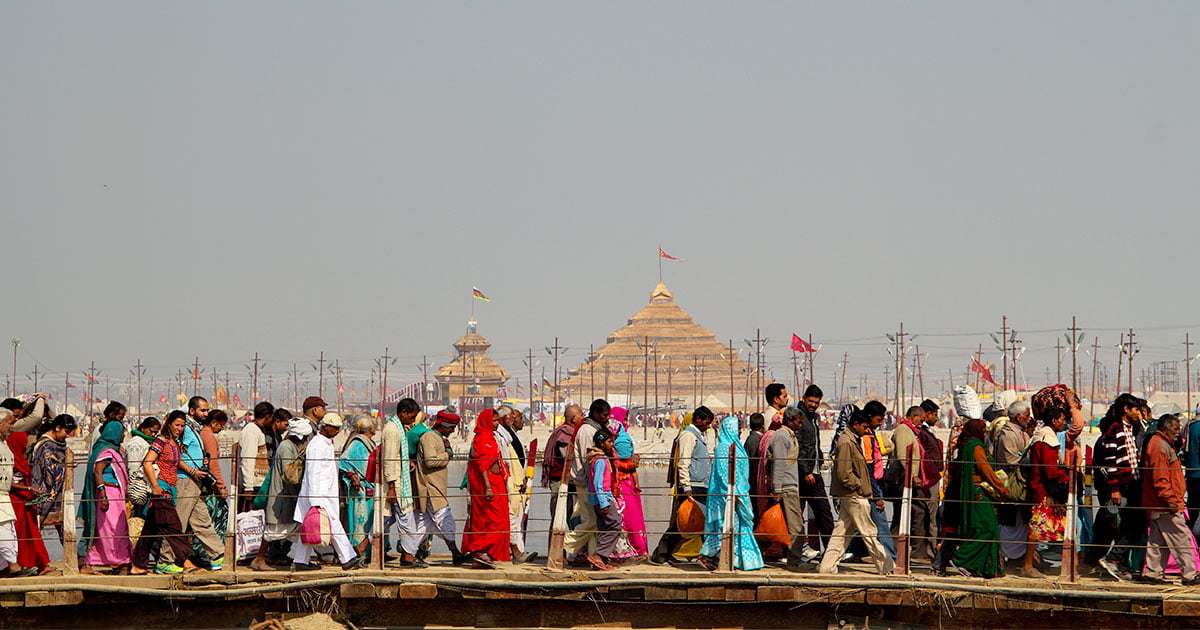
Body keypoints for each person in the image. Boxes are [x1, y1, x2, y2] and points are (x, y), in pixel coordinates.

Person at [131, 411, 207, 575]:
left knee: (150, 530)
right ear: (169, 424)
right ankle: (186, 562)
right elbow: (148, 462)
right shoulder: (161, 440)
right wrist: (155, 485)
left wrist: (193, 471)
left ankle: (137, 565)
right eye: (177, 425)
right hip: (162, 490)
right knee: (173, 526)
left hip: (170, 490)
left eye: (182, 426)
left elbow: (177, 461)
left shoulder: (174, 443)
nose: (179, 428)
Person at [818, 411, 894, 575]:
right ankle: (886, 567)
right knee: (869, 532)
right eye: (865, 427)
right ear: (855, 425)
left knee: (841, 534)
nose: (867, 430)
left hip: (851, 494)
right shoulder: (846, 443)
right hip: (854, 495)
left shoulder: (851, 440)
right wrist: (859, 486)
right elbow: (845, 474)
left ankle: (826, 567)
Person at [293, 413, 364, 571]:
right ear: (325, 427)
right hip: (319, 495)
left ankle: (300, 561)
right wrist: (315, 501)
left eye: (339, 428)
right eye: (335, 428)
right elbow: (313, 472)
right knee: (333, 526)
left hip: (325, 494)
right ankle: (348, 558)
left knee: (311, 527)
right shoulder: (317, 445)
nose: (338, 431)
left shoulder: (326, 443)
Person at [938, 418, 1007, 578]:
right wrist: (1001, 487)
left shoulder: (965, 445)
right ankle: (962, 560)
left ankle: (978, 567)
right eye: (982, 431)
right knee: (987, 529)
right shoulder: (976, 447)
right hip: (979, 493)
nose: (984, 434)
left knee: (978, 529)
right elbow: (985, 470)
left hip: (973, 493)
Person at [697, 415, 764, 571]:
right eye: (738, 427)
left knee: (738, 527)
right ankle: (710, 556)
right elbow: (722, 473)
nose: (740, 430)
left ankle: (739, 560)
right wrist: (732, 493)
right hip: (726, 496)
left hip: (739, 493)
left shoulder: (736, 446)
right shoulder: (723, 447)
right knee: (723, 527)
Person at [650, 406, 715, 565]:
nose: (708, 426)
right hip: (692, 486)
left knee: (697, 521)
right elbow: (683, 462)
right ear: (698, 419)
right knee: (682, 523)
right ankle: (660, 555)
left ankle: (666, 554)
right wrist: (686, 486)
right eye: (706, 422)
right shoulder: (688, 436)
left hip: (700, 484)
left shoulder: (698, 436)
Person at [164, 397, 223, 569]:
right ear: (192, 411)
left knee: (202, 521)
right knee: (179, 522)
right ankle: (165, 559)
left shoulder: (195, 429)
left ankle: (218, 555)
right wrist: (191, 470)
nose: (206, 414)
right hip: (185, 480)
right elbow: (175, 454)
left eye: (207, 410)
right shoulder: (185, 429)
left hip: (195, 481)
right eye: (202, 411)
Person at [1140, 415, 1199, 586]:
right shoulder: (1159, 446)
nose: (1178, 432)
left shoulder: (1163, 444)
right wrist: (1170, 499)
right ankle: (1189, 574)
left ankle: (1153, 573)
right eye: (1175, 428)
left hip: (1162, 501)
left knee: (1158, 540)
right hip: (1166, 502)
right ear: (1165, 428)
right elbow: (1161, 477)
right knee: (1181, 537)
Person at [1089, 394, 1143, 580]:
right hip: (1122, 484)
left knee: (1133, 522)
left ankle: (1115, 559)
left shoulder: (1129, 429)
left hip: (1132, 482)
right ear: (1126, 409)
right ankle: (1113, 557)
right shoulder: (1115, 429)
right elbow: (1111, 462)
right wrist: (1115, 489)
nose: (1138, 412)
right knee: (1131, 522)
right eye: (1135, 409)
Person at [78, 409, 133, 574]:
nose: (123, 437)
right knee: (115, 529)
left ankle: (110, 562)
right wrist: (103, 495)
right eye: (122, 433)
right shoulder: (106, 450)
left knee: (109, 530)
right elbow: (98, 471)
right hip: (108, 495)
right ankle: (121, 561)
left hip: (114, 495)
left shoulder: (107, 448)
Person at [250, 413, 306, 572]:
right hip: (283, 494)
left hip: (289, 495)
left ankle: (302, 560)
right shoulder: (287, 447)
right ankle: (259, 558)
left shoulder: (292, 446)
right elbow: (290, 475)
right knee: (274, 530)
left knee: (299, 528)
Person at [1023, 406, 1071, 578]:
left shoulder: (1040, 435)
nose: (1064, 423)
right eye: (1062, 419)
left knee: (1037, 528)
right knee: (1036, 529)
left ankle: (1031, 562)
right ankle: (1028, 566)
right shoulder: (1047, 440)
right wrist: (1068, 475)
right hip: (1043, 490)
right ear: (1054, 420)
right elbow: (1050, 470)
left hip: (1038, 487)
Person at [413, 410, 466, 565]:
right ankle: (456, 553)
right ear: (443, 425)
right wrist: (447, 454)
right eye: (451, 428)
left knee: (424, 525)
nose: (452, 431)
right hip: (430, 488)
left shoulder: (436, 438)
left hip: (434, 487)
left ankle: (408, 554)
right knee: (445, 518)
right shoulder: (430, 437)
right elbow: (430, 461)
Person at [462, 408, 511, 568]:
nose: (497, 424)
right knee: (498, 520)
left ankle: (485, 553)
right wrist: (488, 487)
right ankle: (478, 549)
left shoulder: (490, 436)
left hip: (497, 482)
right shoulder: (482, 438)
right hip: (488, 484)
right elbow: (482, 466)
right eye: (494, 421)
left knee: (494, 518)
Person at [563, 400, 611, 561]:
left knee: (594, 523)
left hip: (591, 483)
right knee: (589, 521)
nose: (607, 418)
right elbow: (587, 459)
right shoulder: (587, 431)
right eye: (604, 415)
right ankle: (563, 545)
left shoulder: (594, 429)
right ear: (596, 414)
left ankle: (592, 556)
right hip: (585, 482)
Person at [381, 398, 424, 567]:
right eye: (412, 417)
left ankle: (359, 550)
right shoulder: (393, 431)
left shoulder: (398, 428)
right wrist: (391, 487)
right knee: (407, 522)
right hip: (396, 485)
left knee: (384, 520)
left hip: (399, 482)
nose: (413, 421)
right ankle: (408, 558)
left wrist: (407, 463)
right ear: (403, 413)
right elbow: (390, 459)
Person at [992, 400, 1033, 564]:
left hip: (1021, 481)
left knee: (1020, 520)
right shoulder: (1008, 434)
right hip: (1011, 482)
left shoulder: (1021, 432)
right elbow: (1011, 459)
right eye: (1027, 415)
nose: (1029, 419)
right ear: (1018, 417)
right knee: (1008, 521)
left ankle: (1019, 554)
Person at [5, 426, 48, 575]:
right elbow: (7, 481)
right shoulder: (9, 459)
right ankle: (16, 564)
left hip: (25, 500)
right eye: (25, 442)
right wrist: (28, 489)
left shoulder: (21, 458)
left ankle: (39, 562)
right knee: (16, 532)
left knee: (31, 531)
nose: (27, 445)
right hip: (15, 500)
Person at [0, 408, 37, 578]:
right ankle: (13, 566)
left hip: (5, 491)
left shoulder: (5, 443)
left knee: (9, 529)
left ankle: (7, 566)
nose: (12, 427)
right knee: (5, 528)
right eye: (10, 424)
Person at [496, 406, 535, 563]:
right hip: (509, 483)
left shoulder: (509, 436)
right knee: (511, 517)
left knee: (516, 518)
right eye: (514, 416)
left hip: (518, 483)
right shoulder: (499, 435)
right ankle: (516, 552)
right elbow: (505, 462)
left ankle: (517, 550)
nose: (516, 420)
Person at [610, 407, 648, 560]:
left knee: (629, 517)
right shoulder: (621, 439)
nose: (625, 422)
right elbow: (625, 462)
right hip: (623, 484)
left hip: (623, 483)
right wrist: (632, 463)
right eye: (623, 419)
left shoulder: (619, 438)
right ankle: (636, 550)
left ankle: (633, 550)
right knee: (629, 516)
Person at [30, 413, 75, 540]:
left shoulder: (58, 444)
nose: (67, 436)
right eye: (66, 432)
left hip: (58, 493)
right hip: (45, 491)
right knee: (36, 527)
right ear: (57, 428)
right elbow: (49, 471)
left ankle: (73, 557)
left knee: (64, 530)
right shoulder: (46, 446)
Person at [338, 415, 376, 557]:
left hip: (371, 487)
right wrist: (353, 476)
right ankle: (359, 550)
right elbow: (344, 460)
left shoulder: (368, 443)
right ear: (370, 428)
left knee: (371, 520)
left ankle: (371, 550)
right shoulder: (357, 443)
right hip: (361, 490)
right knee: (361, 521)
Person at [542, 404, 580, 536]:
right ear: (574, 418)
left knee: (570, 516)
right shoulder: (565, 433)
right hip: (560, 482)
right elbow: (568, 458)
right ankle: (556, 553)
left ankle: (573, 551)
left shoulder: (567, 431)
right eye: (581, 415)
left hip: (568, 482)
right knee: (559, 518)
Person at [585, 428, 621, 570]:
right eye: (609, 441)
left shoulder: (595, 459)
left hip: (599, 498)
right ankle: (599, 554)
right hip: (602, 499)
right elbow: (597, 483)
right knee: (615, 525)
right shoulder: (600, 460)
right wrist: (604, 502)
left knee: (604, 527)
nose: (611, 444)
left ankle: (602, 560)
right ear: (601, 443)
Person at [238, 402, 275, 512]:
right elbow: (247, 459)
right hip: (253, 485)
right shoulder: (251, 431)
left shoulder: (258, 431)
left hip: (259, 483)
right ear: (268, 416)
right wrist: (248, 487)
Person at [199, 409, 229, 539]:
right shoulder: (209, 437)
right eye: (221, 425)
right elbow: (213, 465)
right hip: (210, 485)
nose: (221, 429)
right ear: (214, 423)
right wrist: (221, 486)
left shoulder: (201, 433)